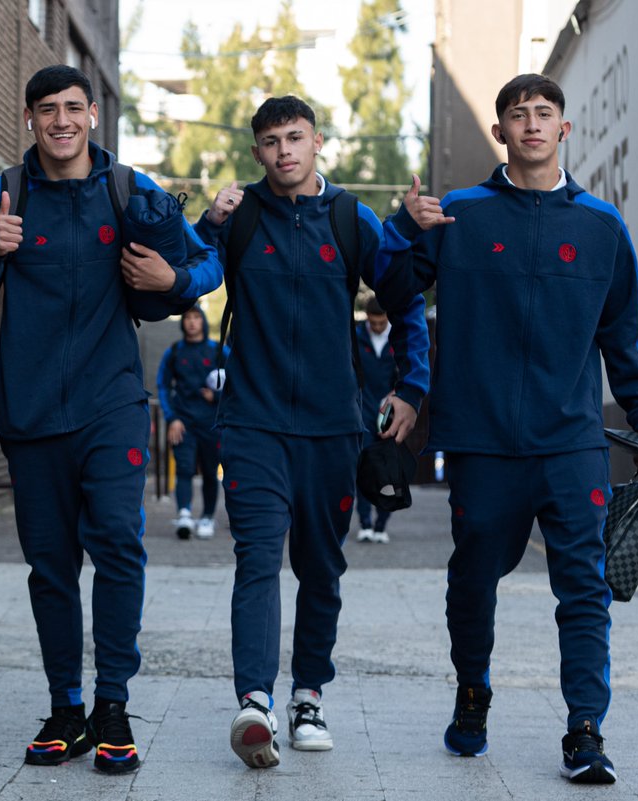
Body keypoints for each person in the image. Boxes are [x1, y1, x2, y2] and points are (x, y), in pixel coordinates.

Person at [377, 74, 638, 785]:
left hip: (571, 441)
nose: (531, 123)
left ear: (564, 130)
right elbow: (390, 286)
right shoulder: (461, 215)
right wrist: (406, 227)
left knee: (585, 586)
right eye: (517, 114)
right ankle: (472, 690)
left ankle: (585, 729)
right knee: (474, 578)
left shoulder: (602, 227)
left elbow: (622, 334)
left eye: (544, 113)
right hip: (481, 440)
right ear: (500, 132)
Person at [0, 65, 222, 774]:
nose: (61, 120)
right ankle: (66, 707)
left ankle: (113, 704)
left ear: (93, 113)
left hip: (112, 404)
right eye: (47, 109)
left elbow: (207, 263)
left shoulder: (130, 189)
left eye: (73, 107)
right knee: (50, 564)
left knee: (119, 548)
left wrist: (174, 282)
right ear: (30, 118)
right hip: (31, 412)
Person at [193, 95, 431, 769]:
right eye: (269, 142)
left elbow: (405, 294)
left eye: (294, 137)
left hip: (334, 428)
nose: (283, 152)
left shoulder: (350, 218)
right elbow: (188, 268)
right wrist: (207, 220)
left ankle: (307, 694)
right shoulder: (240, 220)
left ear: (318, 141)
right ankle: (254, 700)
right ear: (255, 153)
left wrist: (412, 387)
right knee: (257, 558)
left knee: (321, 568)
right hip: (253, 423)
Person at [156, 305, 226, 540]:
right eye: (188, 318)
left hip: (211, 423)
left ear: (203, 321)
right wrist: (171, 418)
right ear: (183, 322)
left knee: (209, 472)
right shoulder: (175, 351)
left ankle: (207, 517)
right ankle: (184, 514)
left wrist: (216, 396)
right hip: (183, 422)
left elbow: (239, 382)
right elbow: (163, 386)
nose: (192, 322)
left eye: (197, 317)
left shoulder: (218, 351)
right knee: (184, 468)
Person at [353, 297, 398, 543]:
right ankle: (365, 523)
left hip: (390, 415)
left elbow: (407, 373)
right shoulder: (357, 338)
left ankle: (382, 524)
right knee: (364, 470)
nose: (377, 327)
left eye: (381, 323)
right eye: (373, 323)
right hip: (363, 413)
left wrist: (396, 394)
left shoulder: (398, 338)